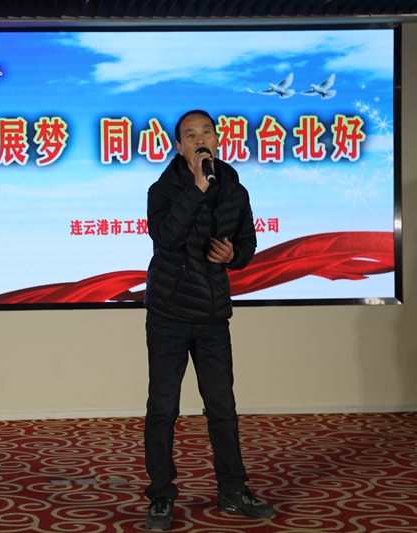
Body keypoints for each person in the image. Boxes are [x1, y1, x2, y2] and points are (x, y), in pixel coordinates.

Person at [142, 110, 275, 531]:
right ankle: (161, 495)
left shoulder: (234, 188)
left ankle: (233, 490)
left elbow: (248, 243)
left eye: (206, 132)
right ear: (179, 146)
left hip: (214, 315)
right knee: (163, 409)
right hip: (169, 313)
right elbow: (166, 237)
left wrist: (235, 255)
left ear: (218, 139)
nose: (200, 139)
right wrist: (197, 189)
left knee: (223, 408)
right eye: (190, 135)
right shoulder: (162, 190)